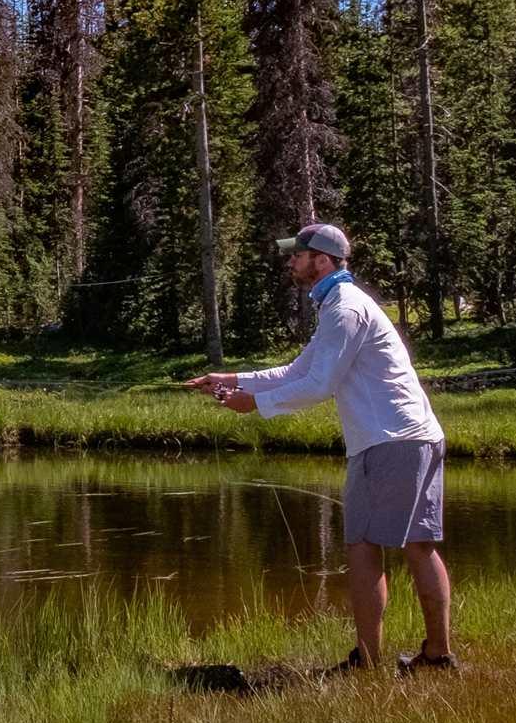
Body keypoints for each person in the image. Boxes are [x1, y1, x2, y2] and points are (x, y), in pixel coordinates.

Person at [185, 223, 455, 676]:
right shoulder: (339, 306)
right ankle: (416, 657)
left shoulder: (345, 309)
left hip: (393, 442)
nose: (291, 261)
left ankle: (398, 659)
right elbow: (298, 370)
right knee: (391, 546)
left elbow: (318, 385)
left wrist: (254, 405)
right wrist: (232, 381)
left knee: (389, 547)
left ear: (323, 261)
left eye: (298, 254)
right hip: (400, 438)